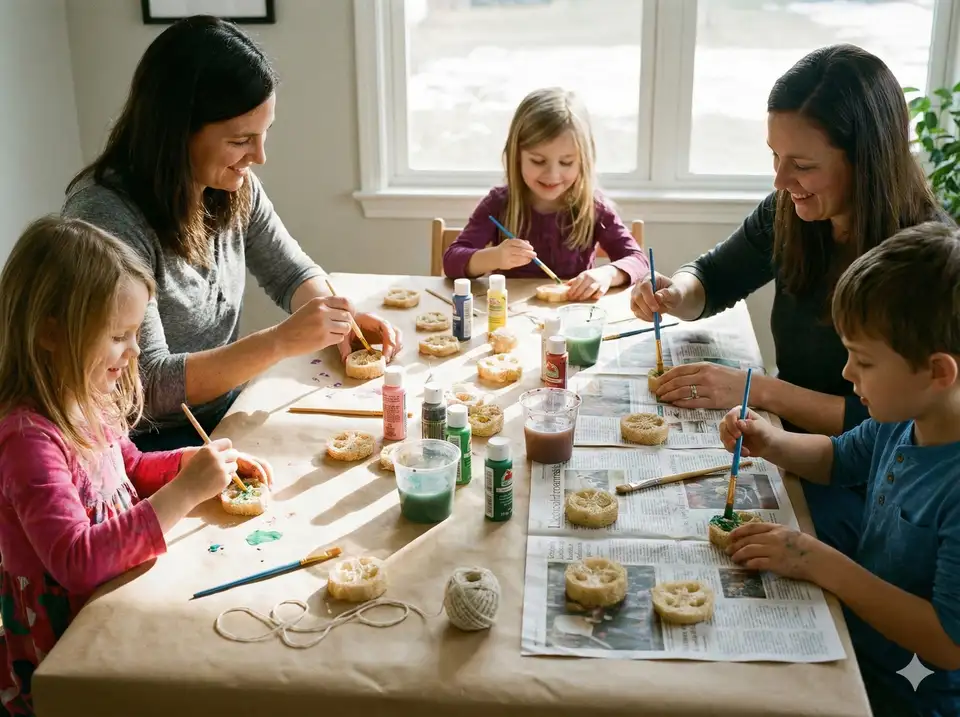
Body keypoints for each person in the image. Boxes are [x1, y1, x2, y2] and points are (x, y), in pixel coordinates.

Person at [630, 44, 948, 554]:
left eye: (801, 164)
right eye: (774, 157)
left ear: (866, 159)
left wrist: (758, 390)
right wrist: (675, 291)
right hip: (784, 440)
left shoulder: (923, 261)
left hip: (862, 483)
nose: (780, 180)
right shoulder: (792, 210)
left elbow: (888, 428)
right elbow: (713, 276)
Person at [63, 15, 402, 452]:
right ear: (177, 131)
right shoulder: (105, 219)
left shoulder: (231, 187)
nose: (259, 156)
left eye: (264, 135)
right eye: (241, 140)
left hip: (228, 412)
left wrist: (340, 322)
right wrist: (279, 342)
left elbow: (290, 273)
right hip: (143, 446)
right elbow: (147, 383)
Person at [0, 217, 273, 716]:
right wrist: (184, 493)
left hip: (115, 597)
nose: (135, 351)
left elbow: (129, 469)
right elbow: (77, 561)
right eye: (118, 335)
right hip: (68, 637)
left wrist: (189, 464)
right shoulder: (28, 441)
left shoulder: (86, 394)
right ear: (50, 333)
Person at [718, 222, 960, 717]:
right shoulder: (902, 419)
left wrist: (817, 561)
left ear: (938, 372)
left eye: (863, 362)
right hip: (858, 643)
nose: (847, 374)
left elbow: (947, 641)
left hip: (910, 696)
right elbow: (837, 459)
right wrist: (772, 441)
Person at [442, 87, 648, 300]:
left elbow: (638, 261)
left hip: (572, 315)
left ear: (583, 161)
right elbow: (451, 261)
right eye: (538, 161)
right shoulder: (498, 204)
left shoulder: (594, 208)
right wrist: (495, 257)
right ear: (517, 156)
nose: (552, 175)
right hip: (508, 316)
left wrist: (607, 274)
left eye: (566, 162)